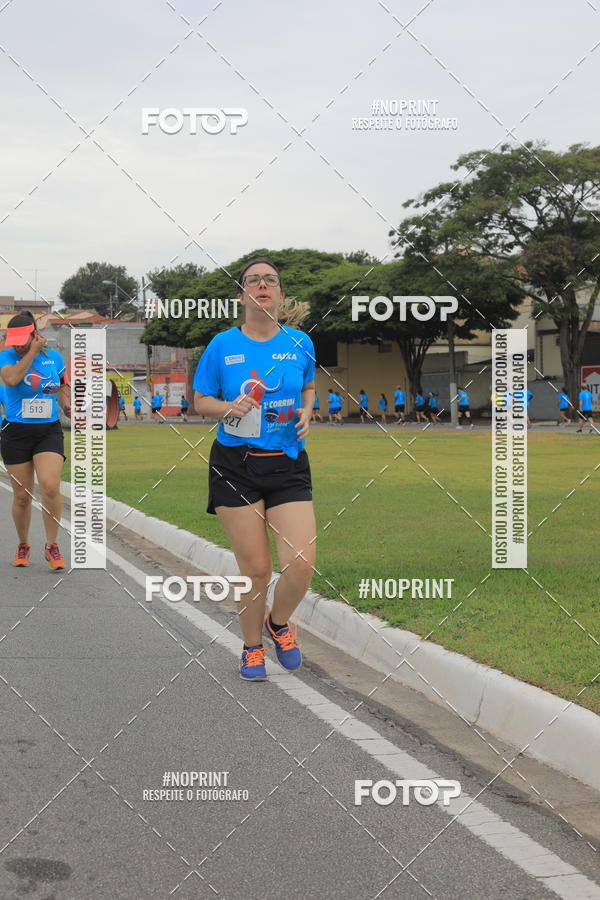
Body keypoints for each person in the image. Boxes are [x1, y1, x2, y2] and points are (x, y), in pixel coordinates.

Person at [193, 257, 316, 681]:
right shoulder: (222, 345)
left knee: (301, 563)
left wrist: (307, 408)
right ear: (241, 295)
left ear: (280, 294)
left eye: (270, 281)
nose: (262, 285)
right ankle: (250, 648)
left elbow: (309, 384)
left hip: (287, 463)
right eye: (253, 281)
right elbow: (200, 401)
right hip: (235, 465)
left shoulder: (300, 342)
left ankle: (277, 623)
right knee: (257, 570)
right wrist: (230, 407)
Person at [0, 312, 70, 569]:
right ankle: (23, 543)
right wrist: (31, 352)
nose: (18, 345)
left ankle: (52, 545)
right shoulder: (7, 357)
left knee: (50, 487)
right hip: (16, 433)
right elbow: (11, 379)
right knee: (22, 495)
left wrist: (67, 402)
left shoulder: (54, 357)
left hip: (47, 431)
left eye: (23, 340)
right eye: (14, 341)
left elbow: (62, 384)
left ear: (34, 334)